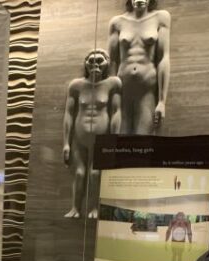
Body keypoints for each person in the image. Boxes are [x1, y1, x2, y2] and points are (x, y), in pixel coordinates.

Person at [62, 49, 121, 218]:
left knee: (95, 174)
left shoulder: (113, 83)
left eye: (99, 60)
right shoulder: (76, 86)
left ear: (106, 63)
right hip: (79, 137)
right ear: (85, 64)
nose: (95, 64)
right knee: (79, 173)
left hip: (101, 138)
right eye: (91, 61)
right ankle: (75, 208)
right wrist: (66, 142)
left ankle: (94, 208)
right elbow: (68, 114)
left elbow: (117, 112)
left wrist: (114, 139)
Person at [108, 0, 171, 134]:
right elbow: (112, 61)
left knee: (142, 141)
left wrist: (162, 101)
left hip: (146, 89)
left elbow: (163, 58)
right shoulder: (117, 22)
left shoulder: (161, 18)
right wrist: (112, 96)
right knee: (120, 140)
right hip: (123, 89)